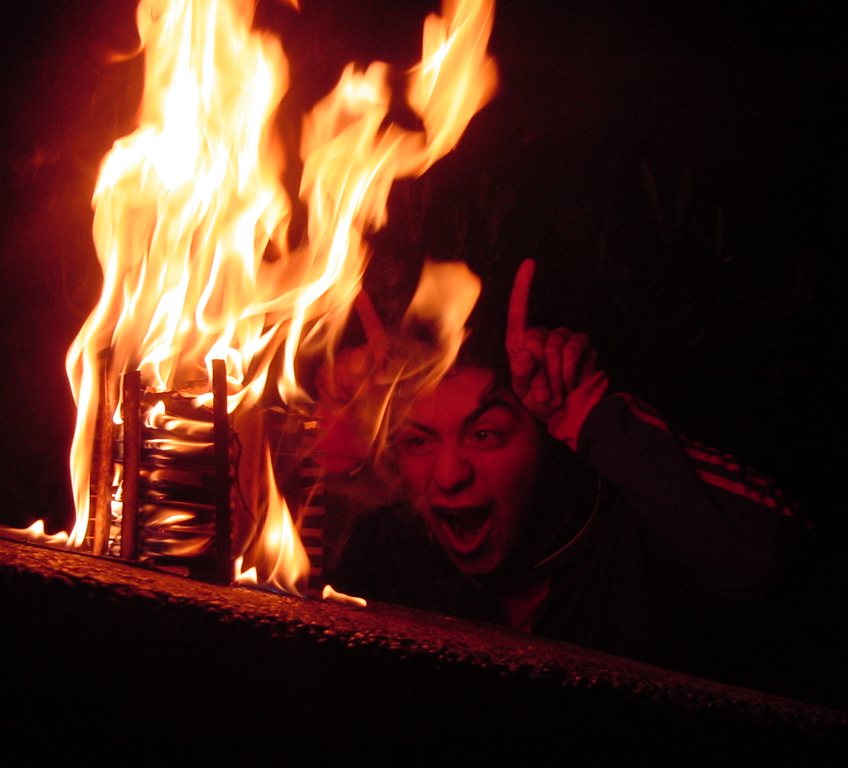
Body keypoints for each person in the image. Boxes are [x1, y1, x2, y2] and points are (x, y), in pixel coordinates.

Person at [325, 259, 806, 678]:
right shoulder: (394, 556)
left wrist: (592, 413)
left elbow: (771, 560)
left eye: (485, 434)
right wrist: (328, 438)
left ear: (547, 436)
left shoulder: (639, 541)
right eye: (419, 440)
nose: (449, 475)